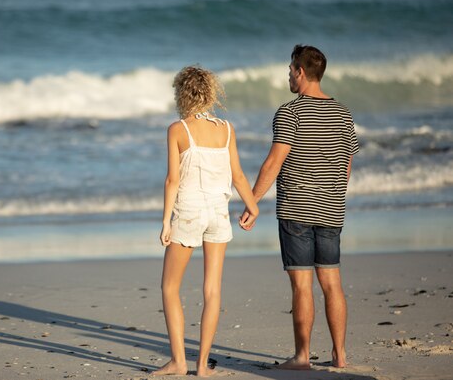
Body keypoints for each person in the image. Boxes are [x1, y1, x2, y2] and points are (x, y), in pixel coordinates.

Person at [240, 45, 359, 370]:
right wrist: (332, 197)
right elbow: (346, 165)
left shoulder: (290, 112)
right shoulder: (343, 112)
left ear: (301, 72)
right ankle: (340, 355)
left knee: (302, 284)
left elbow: (273, 163)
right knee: (332, 282)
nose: (288, 75)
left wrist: (252, 201)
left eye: (291, 70)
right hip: (332, 209)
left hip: (296, 209)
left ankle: (303, 356)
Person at [154, 66, 259, 377]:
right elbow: (238, 176)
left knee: (170, 286)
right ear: (210, 93)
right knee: (212, 290)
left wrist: (165, 221)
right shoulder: (226, 129)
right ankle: (202, 366)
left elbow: (172, 180)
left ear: (181, 94)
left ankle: (178, 361)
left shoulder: (178, 129)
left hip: (188, 213)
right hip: (218, 214)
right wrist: (252, 206)